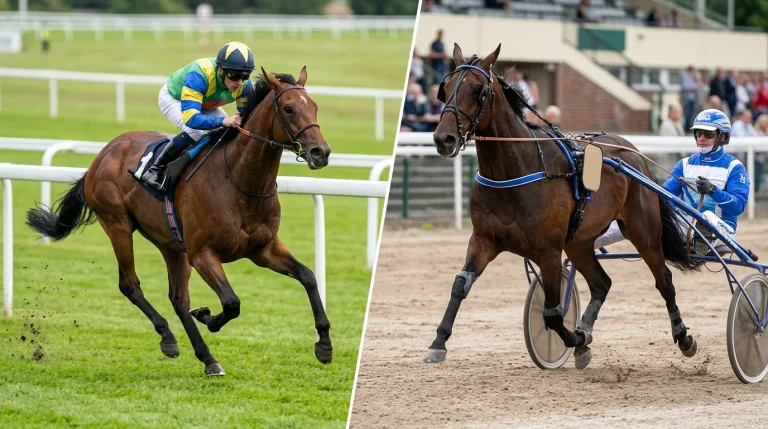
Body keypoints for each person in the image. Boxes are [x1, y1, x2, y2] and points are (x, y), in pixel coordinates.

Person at [596, 109, 749, 255]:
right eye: (698, 132)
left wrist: (713, 191)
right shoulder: (685, 164)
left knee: (707, 216)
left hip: (722, 230)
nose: (701, 137)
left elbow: (738, 206)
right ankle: (587, 240)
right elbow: (664, 197)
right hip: (686, 227)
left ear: (722, 137)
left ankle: (701, 240)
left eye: (708, 134)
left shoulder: (734, 167)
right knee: (633, 215)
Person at [141, 41, 254, 191]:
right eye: (234, 75)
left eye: (245, 76)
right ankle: (155, 170)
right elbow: (191, 118)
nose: (239, 82)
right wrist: (223, 120)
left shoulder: (245, 85)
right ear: (220, 69)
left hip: (206, 103)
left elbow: (247, 118)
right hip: (176, 99)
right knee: (195, 131)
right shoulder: (199, 74)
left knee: (228, 130)